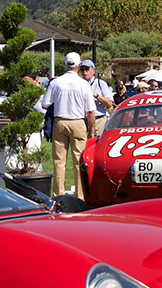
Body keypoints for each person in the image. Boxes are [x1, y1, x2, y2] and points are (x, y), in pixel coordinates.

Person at [41, 52, 95, 197]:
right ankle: (80, 195)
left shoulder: (56, 82)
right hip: (78, 122)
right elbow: (90, 111)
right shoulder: (84, 84)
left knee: (59, 161)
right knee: (79, 161)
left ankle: (58, 195)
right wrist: (92, 129)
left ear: (65, 64)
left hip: (60, 121)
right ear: (78, 66)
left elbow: (45, 104)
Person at [79, 59, 114, 136]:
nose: (84, 71)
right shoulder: (78, 85)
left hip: (99, 120)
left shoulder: (100, 84)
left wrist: (96, 96)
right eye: (82, 69)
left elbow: (109, 103)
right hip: (83, 121)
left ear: (93, 71)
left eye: (87, 69)